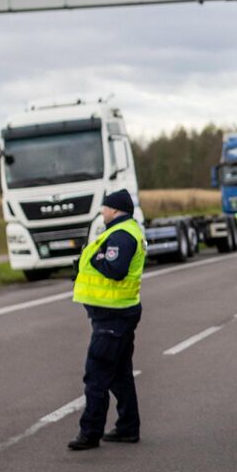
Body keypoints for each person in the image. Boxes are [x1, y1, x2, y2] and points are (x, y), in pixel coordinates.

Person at [68, 189, 145, 451]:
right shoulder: (121, 231)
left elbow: (115, 269)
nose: (102, 211)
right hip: (116, 312)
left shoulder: (121, 235)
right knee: (120, 375)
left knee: (96, 375)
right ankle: (127, 427)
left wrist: (96, 259)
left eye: (104, 207)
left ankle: (89, 432)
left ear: (114, 209)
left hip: (113, 316)